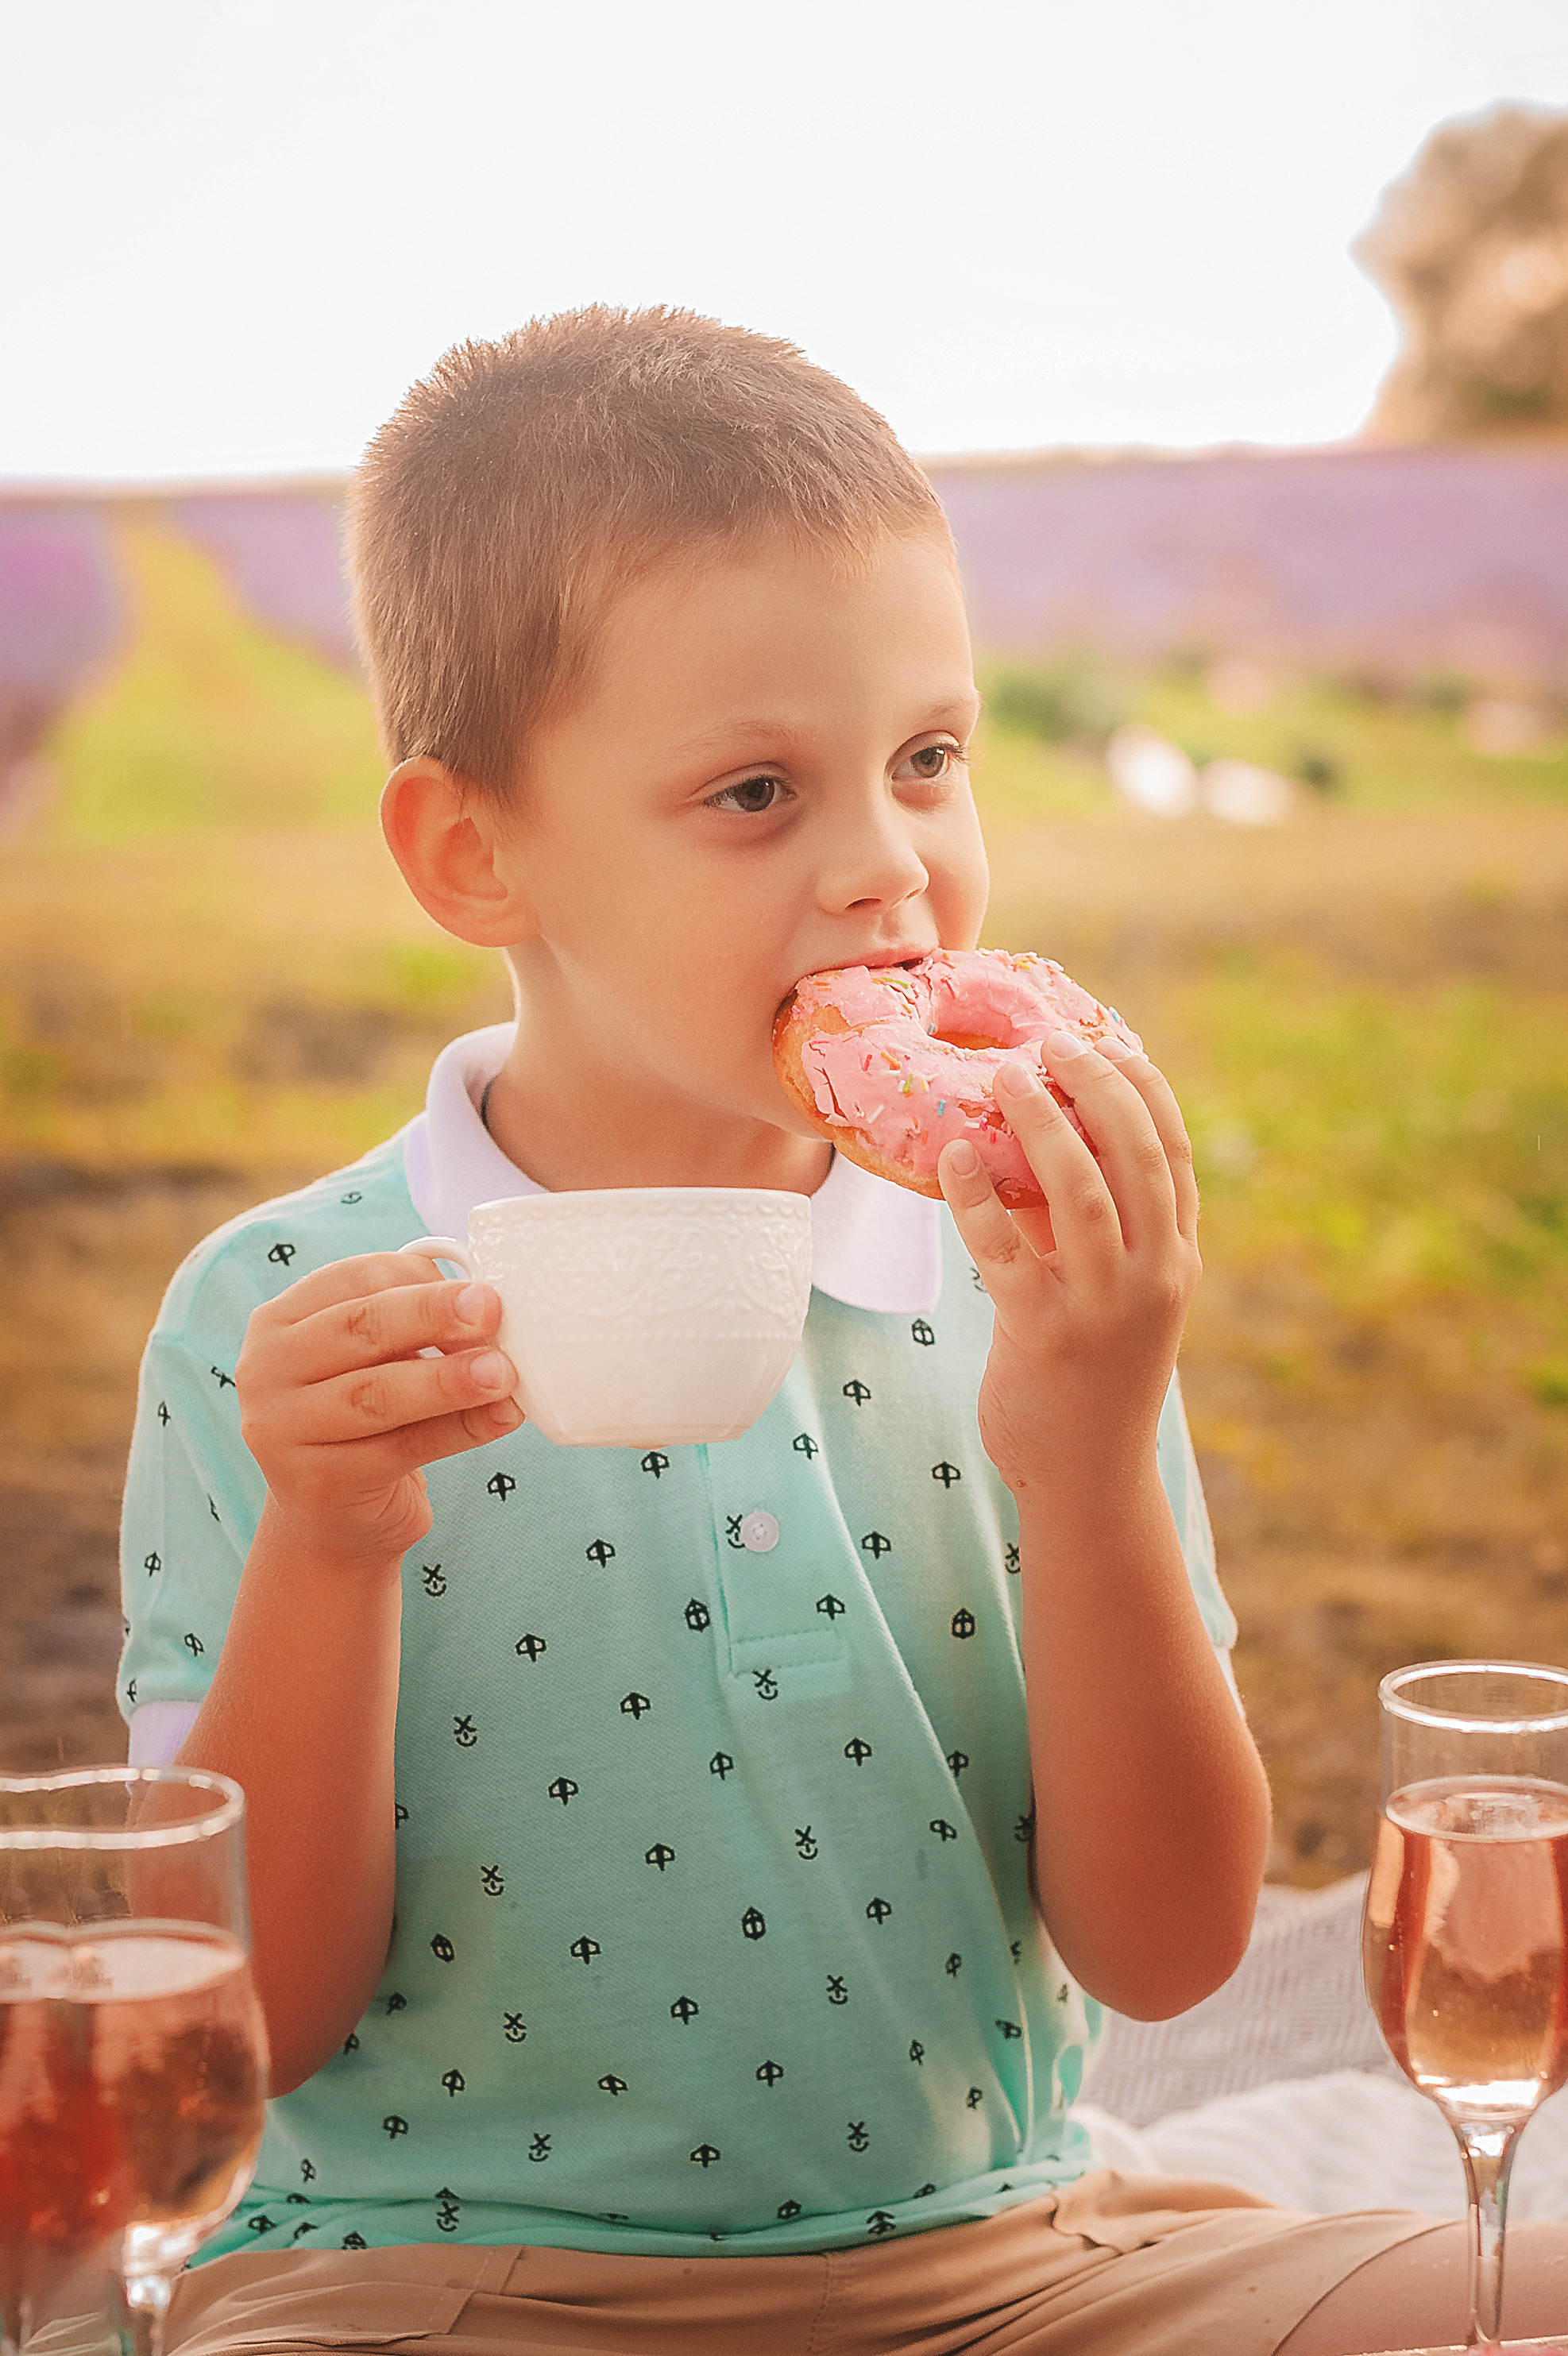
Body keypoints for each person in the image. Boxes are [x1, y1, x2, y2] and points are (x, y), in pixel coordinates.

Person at [120, 308, 1566, 2355]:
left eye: (930, 760)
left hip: (1025, 2252)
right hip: (433, 2281)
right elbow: (245, 2031)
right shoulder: (280, 1329)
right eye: (754, 792)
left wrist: (1090, 1448)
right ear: (474, 853)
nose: (889, 870)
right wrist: (327, 1545)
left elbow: (1166, 1957)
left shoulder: (1031, 1279)